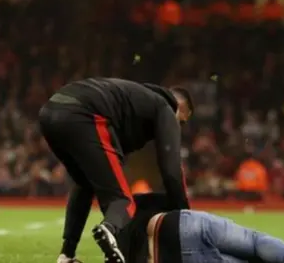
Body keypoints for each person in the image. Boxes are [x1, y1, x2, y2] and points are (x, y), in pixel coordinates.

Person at [39, 78, 193, 263]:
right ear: (179, 107)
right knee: (123, 201)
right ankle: (109, 230)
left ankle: (66, 255)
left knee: (85, 183)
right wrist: (186, 216)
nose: (179, 129)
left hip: (49, 113)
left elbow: (92, 184)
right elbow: (171, 170)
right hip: (85, 114)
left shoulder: (134, 103)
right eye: (182, 122)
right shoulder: (165, 108)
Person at [115, 193, 284, 263]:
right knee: (256, 242)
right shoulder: (141, 200)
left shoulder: (119, 231)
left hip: (167, 256)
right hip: (181, 221)